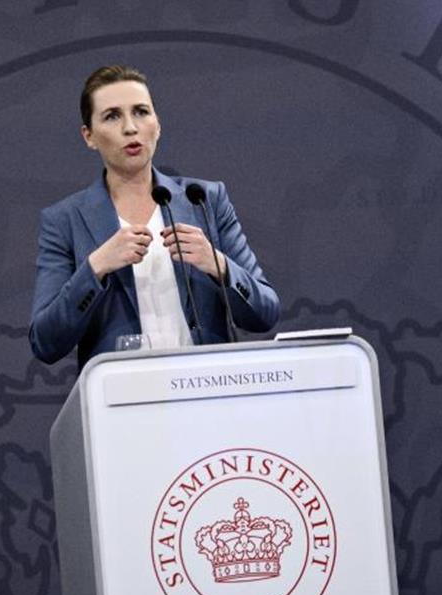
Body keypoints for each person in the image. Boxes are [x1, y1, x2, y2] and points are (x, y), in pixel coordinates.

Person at [28, 65, 280, 370]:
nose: (130, 128)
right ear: (89, 136)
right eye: (112, 116)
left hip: (207, 393)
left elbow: (265, 313)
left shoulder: (204, 201)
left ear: (157, 125)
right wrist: (94, 269)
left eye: (141, 112)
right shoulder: (65, 221)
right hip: (122, 404)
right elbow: (45, 342)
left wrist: (220, 266)